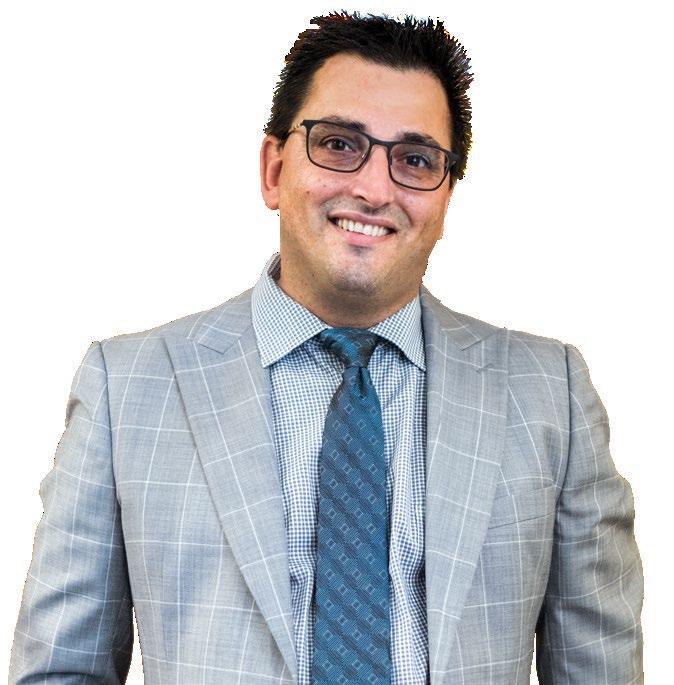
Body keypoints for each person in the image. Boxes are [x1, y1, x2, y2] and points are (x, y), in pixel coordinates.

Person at [9, 11, 643, 685]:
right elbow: (60, 670)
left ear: (446, 196)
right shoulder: (129, 388)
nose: (373, 188)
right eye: (340, 145)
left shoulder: (550, 395)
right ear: (273, 169)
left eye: (415, 160)